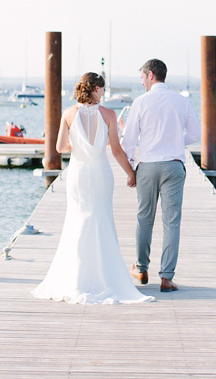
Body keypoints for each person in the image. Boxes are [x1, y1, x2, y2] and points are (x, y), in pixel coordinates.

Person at [32, 72, 154, 305]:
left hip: (77, 173)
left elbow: (59, 147)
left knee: (77, 220)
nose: (104, 93)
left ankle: (76, 276)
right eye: (102, 89)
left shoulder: (68, 114)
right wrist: (131, 173)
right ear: (96, 89)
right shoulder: (108, 114)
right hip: (100, 173)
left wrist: (78, 144)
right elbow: (116, 151)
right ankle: (104, 276)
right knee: (101, 219)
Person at [122, 59, 200, 293]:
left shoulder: (141, 102)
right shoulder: (181, 101)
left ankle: (142, 267)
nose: (142, 82)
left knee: (144, 218)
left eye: (143, 78)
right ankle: (166, 277)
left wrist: (132, 165)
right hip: (174, 166)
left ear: (151, 75)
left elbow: (128, 140)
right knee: (171, 222)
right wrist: (176, 142)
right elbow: (195, 134)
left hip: (147, 165)